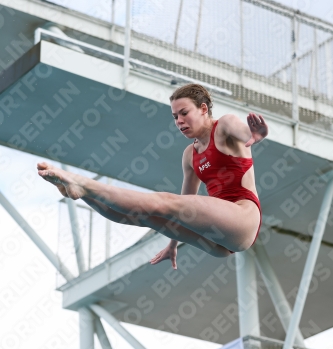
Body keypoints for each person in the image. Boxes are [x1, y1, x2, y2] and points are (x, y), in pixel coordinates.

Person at [37, 83, 268, 270]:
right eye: (175, 116)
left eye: (184, 113)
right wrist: (173, 244)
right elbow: (187, 200)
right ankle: (83, 193)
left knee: (163, 202)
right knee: (147, 217)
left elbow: (246, 133)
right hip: (219, 244)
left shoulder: (225, 125)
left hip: (242, 218)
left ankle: (82, 182)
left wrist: (257, 133)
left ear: (204, 109)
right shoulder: (190, 155)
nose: (179, 121)